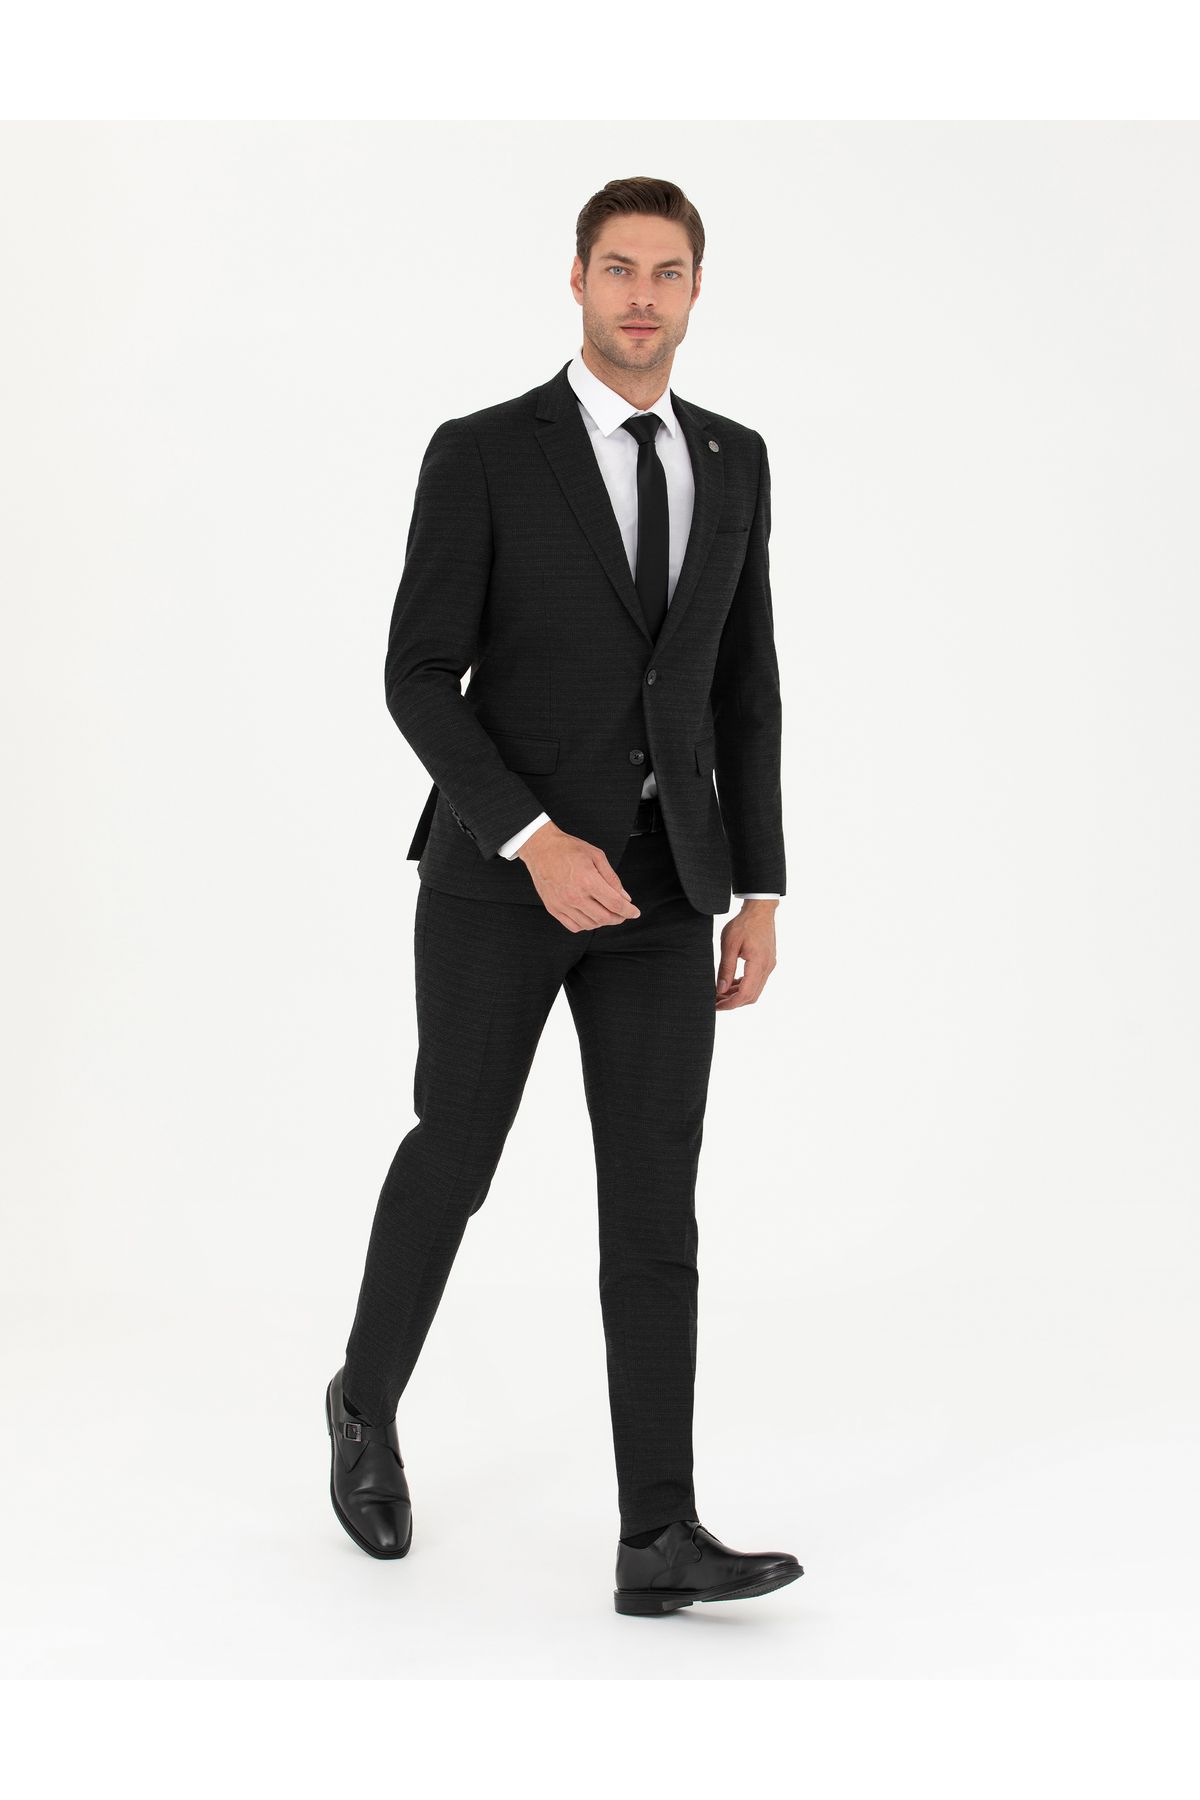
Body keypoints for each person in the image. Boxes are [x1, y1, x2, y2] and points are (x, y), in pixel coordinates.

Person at [326, 175, 803, 1615]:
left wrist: (758, 886)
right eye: (618, 269)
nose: (641, 297)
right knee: (457, 1152)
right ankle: (363, 1401)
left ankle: (659, 1534)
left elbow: (744, 687)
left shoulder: (733, 458)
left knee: (655, 1206)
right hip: (502, 882)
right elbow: (418, 675)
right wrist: (533, 837)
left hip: (667, 891)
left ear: (697, 290)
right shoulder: (484, 453)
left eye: (667, 272)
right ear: (578, 280)